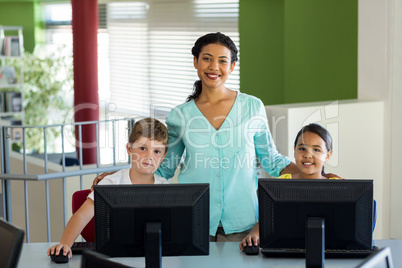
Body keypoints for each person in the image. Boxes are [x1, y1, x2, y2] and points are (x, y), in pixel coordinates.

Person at [93, 33, 341, 242]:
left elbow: (273, 161)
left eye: (223, 61)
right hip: (195, 220)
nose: (214, 67)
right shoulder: (180, 115)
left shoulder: (253, 107)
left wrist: (317, 177)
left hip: (244, 222)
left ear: (232, 66)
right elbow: (165, 168)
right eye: (207, 59)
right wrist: (120, 179)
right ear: (196, 62)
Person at [47, 117, 169, 259]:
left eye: (157, 151)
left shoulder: (165, 187)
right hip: (115, 257)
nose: (149, 156)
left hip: (152, 255)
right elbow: (81, 216)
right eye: (143, 148)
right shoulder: (111, 182)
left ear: (164, 155)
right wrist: (65, 244)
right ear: (129, 149)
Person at [240, 123, 360, 251]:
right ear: (294, 150)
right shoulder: (279, 185)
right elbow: (267, 220)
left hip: (330, 252)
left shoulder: (339, 187)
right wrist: (254, 233)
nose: (308, 155)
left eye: (316, 149)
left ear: (328, 155)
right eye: (302, 148)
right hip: (286, 254)